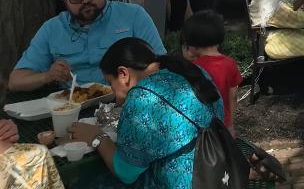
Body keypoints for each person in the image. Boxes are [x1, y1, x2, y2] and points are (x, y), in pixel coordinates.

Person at [67, 38, 223, 189]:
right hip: (217, 169)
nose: (114, 94)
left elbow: (126, 173)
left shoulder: (142, 97)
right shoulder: (191, 70)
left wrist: (97, 137)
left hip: (184, 181)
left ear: (123, 74)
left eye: (110, 83)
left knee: (88, 181)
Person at [10, 0, 165, 91]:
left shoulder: (133, 15)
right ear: (65, 0)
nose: (86, 1)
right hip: (72, 103)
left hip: (126, 99)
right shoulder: (52, 28)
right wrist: (47, 76)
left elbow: (162, 65)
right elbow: (15, 80)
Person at [179, 10, 241, 133]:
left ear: (192, 42)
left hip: (201, 126)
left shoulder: (192, 68)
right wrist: (230, 122)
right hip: (224, 123)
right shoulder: (230, 63)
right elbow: (233, 96)